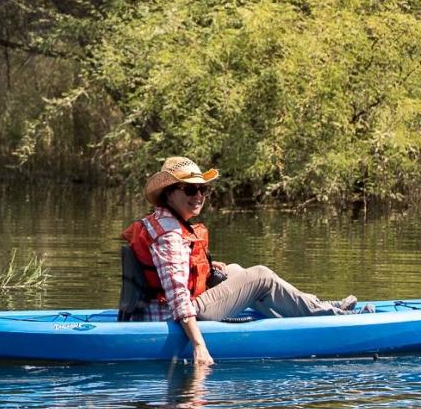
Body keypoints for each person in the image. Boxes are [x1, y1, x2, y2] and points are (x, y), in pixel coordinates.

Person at [122, 156, 373, 365]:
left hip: (167, 308)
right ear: (169, 194)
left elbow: (170, 270)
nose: (198, 195)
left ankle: (309, 310)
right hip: (176, 316)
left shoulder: (163, 222)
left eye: (203, 189)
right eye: (189, 189)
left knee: (234, 270)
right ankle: (330, 315)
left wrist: (207, 267)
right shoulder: (170, 235)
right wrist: (199, 345)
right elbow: (177, 295)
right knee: (260, 276)